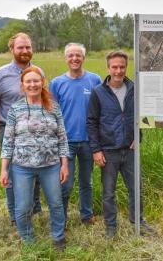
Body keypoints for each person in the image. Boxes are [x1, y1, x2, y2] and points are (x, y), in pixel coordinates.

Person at [0, 66, 69, 249]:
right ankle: (28, 240)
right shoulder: (15, 109)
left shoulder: (53, 107)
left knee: (55, 203)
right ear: (22, 85)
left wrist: (64, 165)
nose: (32, 84)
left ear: (42, 83)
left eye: (36, 80)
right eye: (28, 81)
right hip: (22, 167)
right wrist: (4, 169)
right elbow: (8, 141)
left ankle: (58, 237)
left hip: (51, 165)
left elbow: (62, 137)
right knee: (22, 208)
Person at [86, 51, 154, 239]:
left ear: (126, 67)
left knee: (136, 188)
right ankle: (110, 226)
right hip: (108, 151)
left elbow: (142, 116)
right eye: (114, 67)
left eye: (122, 67)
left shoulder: (134, 88)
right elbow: (91, 122)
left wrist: (138, 136)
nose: (118, 71)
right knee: (108, 192)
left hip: (130, 150)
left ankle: (138, 221)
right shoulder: (98, 92)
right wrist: (96, 150)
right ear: (108, 68)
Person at [0, 32, 42, 225]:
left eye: (28, 47)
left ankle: (35, 209)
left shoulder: (38, 72)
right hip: (10, 133)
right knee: (12, 176)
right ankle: (15, 216)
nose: (25, 51)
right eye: (20, 47)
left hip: (37, 132)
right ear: (11, 49)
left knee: (37, 171)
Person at [50, 43, 102, 226]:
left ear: (83, 58)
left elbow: (100, 110)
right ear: (66, 59)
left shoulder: (95, 80)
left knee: (86, 183)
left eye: (78, 55)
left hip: (89, 141)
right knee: (66, 184)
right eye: (71, 55)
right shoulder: (56, 83)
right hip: (66, 142)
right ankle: (60, 219)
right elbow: (52, 113)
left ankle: (86, 216)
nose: (74, 59)